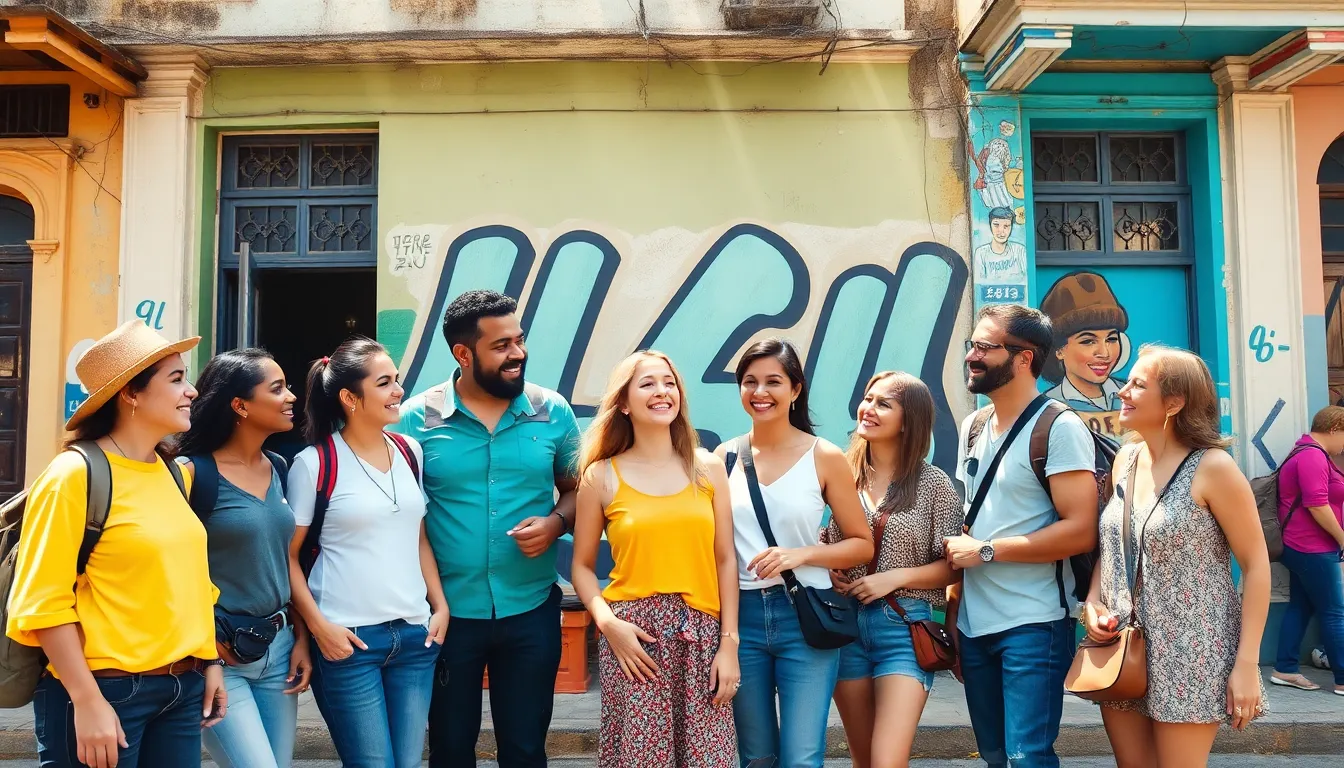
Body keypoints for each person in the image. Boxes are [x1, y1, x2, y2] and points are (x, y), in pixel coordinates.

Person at [7, 320, 226, 768]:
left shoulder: (173, 474)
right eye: (177, 379)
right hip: (106, 691)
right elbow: (41, 602)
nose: (192, 392)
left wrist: (209, 661)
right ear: (130, 393)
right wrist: (87, 701)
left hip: (180, 690)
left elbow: (190, 584)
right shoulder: (74, 475)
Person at [395, 290, 582, 768]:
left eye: (519, 340)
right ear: (463, 353)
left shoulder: (553, 411)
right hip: (445, 616)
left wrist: (557, 520)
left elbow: (580, 491)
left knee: (524, 750)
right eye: (501, 346)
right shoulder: (416, 418)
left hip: (531, 610)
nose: (517, 353)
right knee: (451, 750)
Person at [1083, 345, 1270, 766]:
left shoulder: (1214, 468)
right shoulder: (1126, 460)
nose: (1121, 391)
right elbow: (1115, 545)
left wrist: (1247, 664)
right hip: (1124, 645)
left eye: (1137, 385)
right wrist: (1093, 602)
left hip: (1192, 650)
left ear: (1174, 402)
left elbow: (1257, 566)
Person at [946, 304, 1098, 768]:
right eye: (972, 345)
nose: (972, 356)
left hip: (1033, 624)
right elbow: (968, 526)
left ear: (1024, 358)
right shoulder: (974, 427)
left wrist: (988, 552)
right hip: (974, 623)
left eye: (985, 347)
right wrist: (954, 612)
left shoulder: (1059, 427)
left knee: (1025, 756)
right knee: (994, 755)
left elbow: (1080, 530)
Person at [286, 337, 449, 768]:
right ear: (349, 397)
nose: (399, 390)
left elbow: (418, 538)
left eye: (396, 380)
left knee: (409, 763)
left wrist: (440, 606)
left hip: (416, 636)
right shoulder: (314, 464)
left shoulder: (409, 452)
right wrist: (320, 628)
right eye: (385, 383)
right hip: (350, 642)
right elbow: (289, 558)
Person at [571, 350, 739, 767]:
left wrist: (729, 645)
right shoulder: (601, 475)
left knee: (708, 759)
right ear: (624, 403)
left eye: (669, 383)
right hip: (634, 639)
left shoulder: (708, 467)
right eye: (647, 384)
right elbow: (582, 567)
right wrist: (608, 625)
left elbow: (725, 560)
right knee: (641, 760)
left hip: (700, 634)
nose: (662, 391)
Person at [716, 338, 874, 768]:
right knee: (756, 756)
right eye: (749, 382)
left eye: (773, 381)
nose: (760, 392)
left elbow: (861, 544)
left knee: (802, 757)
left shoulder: (824, 456)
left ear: (796, 389)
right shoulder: (722, 459)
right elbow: (716, 550)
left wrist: (799, 555)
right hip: (740, 618)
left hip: (805, 615)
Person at [174, 349, 311, 768]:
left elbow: (284, 560)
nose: (291, 397)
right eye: (277, 389)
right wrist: (208, 654)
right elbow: (172, 571)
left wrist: (301, 636)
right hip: (220, 656)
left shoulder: (279, 466)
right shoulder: (190, 473)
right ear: (240, 405)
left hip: (279, 646)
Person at [827, 372, 963, 768]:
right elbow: (818, 539)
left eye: (884, 403)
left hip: (904, 628)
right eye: (868, 399)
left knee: (887, 761)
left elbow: (952, 568)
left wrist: (896, 577)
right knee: (863, 760)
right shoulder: (839, 477)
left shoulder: (934, 484)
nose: (868, 409)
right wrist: (830, 568)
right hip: (845, 627)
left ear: (910, 420)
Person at [1269, 406, 1344, 696]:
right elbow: (1317, 504)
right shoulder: (1312, 455)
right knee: (1334, 612)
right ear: (1336, 428)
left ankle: (1285, 669)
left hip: (1303, 546)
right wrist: (1341, 538)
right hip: (1311, 547)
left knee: (1302, 606)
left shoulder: (1309, 451)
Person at [1040, 271, 1128, 414]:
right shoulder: (1047, 409)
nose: (1104, 353)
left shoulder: (1130, 397)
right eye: (1088, 341)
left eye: (1111, 339)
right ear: (1059, 350)